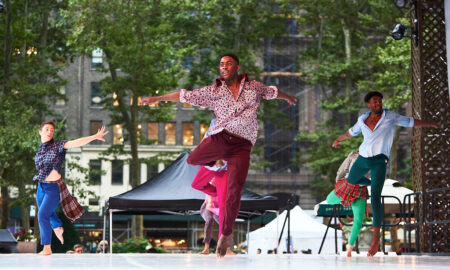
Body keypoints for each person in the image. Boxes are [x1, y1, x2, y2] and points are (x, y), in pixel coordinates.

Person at [141, 53, 297, 257]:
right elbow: (184, 95)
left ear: (237, 67)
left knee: (234, 192)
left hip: (242, 145)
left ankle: (225, 235)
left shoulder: (254, 87)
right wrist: (156, 99)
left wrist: (288, 97)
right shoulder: (214, 91)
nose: (224, 67)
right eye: (221, 64)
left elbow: (273, 92)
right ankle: (217, 162)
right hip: (220, 139)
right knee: (192, 159)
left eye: (228, 64)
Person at [332, 91, 439, 256]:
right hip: (362, 159)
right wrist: (338, 140)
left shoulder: (390, 116)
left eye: (380, 101)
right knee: (350, 181)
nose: (378, 104)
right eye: (375, 102)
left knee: (375, 197)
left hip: (379, 162)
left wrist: (430, 124)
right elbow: (350, 133)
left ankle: (375, 241)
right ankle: (374, 182)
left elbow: (410, 122)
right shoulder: (362, 119)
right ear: (369, 104)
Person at [34, 122, 108, 256]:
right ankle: (57, 227)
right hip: (41, 186)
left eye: (52, 130)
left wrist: (94, 136)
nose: (50, 132)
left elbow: (76, 142)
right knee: (45, 213)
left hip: (53, 187)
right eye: (47, 129)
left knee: (42, 215)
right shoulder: (40, 149)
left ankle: (47, 248)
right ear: (40, 132)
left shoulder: (58, 145)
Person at [326, 151, 369, 257]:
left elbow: (375, 176)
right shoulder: (354, 155)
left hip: (360, 190)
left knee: (358, 220)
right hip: (348, 185)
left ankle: (350, 246)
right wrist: (338, 180)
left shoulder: (376, 159)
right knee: (329, 200)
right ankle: (346, 201)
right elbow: (343, 168)